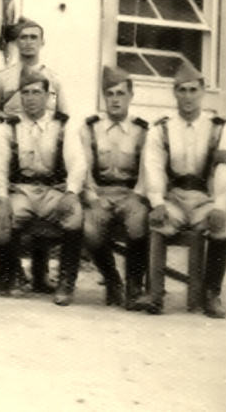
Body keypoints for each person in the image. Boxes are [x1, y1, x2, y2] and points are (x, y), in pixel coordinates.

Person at [137, 61, 226, 318]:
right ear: (174, 93)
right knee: (157, 222)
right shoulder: (161, 128)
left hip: (205, 200)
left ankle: (212, 294)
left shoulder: (219, 128)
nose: (188, 96)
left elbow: (225, 170)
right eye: (182, 90)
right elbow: (153, 166)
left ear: (203, 91)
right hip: (175, 199)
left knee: (223, 227)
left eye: (193, 90)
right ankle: (155, 294)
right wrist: (157, 201)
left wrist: (221, 206)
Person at [0, 68, 86, 305]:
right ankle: (13, 273)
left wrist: (71, 192)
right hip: (22, 191)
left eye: (36, 92)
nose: (31, 98)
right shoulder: (8, 126)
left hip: (54, 192)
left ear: (48, 96)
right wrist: (2, 198)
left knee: (75, 216)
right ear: (20, 96)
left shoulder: (64, 125)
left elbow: (78, 162)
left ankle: (65, 283)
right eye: (26, 93)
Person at [79, 65, 150, 309]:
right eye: (110, 94)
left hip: (131, 194)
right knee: (89, 228)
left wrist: (138, 196)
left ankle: (134, 286)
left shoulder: (142, 130)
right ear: (104, 97)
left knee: (138, 221)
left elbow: (147, 171)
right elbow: (85, 169)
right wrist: (91, 197)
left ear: (131, 96)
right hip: (101, 193)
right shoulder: (90, 128)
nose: (115, 99)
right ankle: (112, 280)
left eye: (121, 93)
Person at [0, 18, 67, 118]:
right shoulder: (2, 77)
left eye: (33, 37)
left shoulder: (53, 78)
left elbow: (64, 115)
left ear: (42, 42)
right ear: (16, 42)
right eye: (23, 38)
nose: (28, 42)